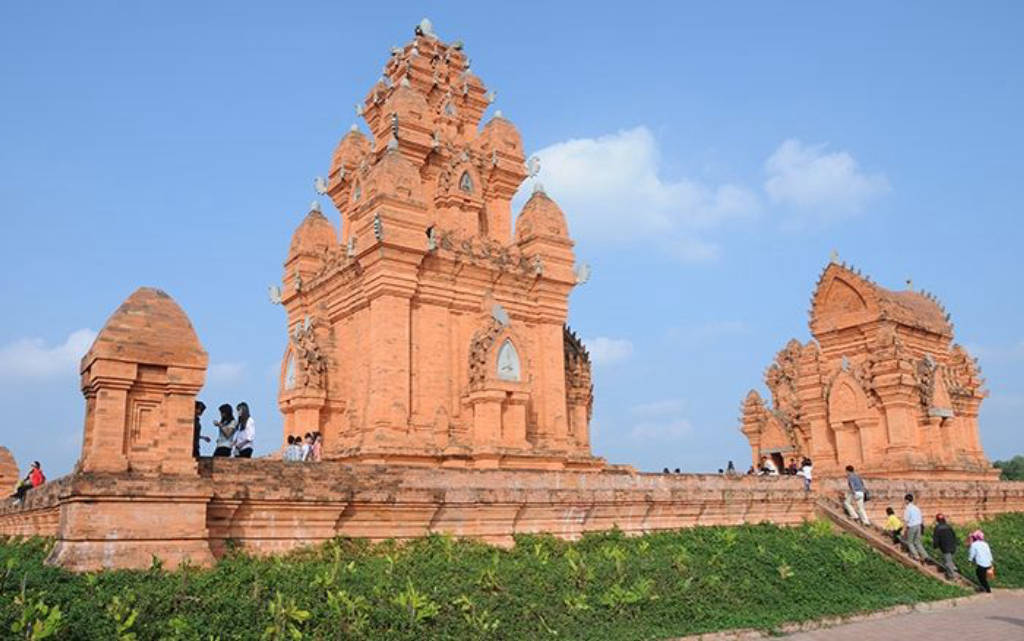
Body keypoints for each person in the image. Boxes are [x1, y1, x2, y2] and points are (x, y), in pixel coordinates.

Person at [902, 493, 929, 562]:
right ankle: (925, 556)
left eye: (905, 500)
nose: (904, 501)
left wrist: (904, 530)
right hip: (918, 526)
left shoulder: (907, 509)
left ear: (907, 500)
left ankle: (916, 556)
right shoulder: (916, 508)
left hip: (912, 526)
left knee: (910, 542)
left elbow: (906, 520)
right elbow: (921, 518)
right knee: (917, 542)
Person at [931, 513, 958, 580]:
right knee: (950, 560)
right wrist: (955, 544)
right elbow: (954, 535)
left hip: (945, 547)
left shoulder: (937, 528)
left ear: (937, 520)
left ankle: (952, 576)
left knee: (948, 562)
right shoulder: (949, 526)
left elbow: (936, 538)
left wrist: (935, 546)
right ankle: (954, 570)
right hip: (953, 545)